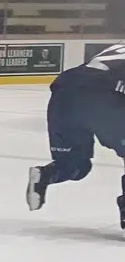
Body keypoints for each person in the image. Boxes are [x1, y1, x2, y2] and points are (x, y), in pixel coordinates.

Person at [26, 44, 125, 225]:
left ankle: (45, 175)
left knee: (74, 166)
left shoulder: (118, 47)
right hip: (102, 94)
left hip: (65, 91)